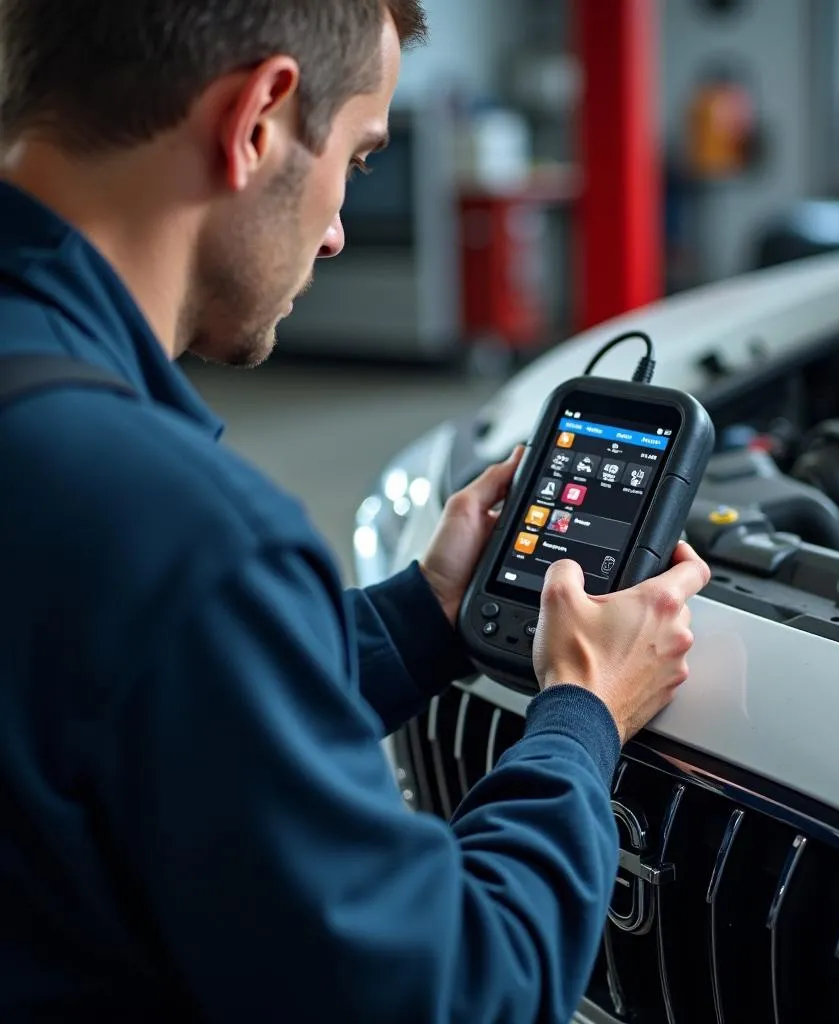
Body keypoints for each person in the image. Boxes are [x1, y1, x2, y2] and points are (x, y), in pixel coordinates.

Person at [0, 1, 711, 1021]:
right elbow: (457, 991)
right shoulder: (186, 537)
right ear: (257, 118)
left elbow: (121, 695)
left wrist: (420, 613)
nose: (334, 231)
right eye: (359, 158)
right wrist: (582, 715)